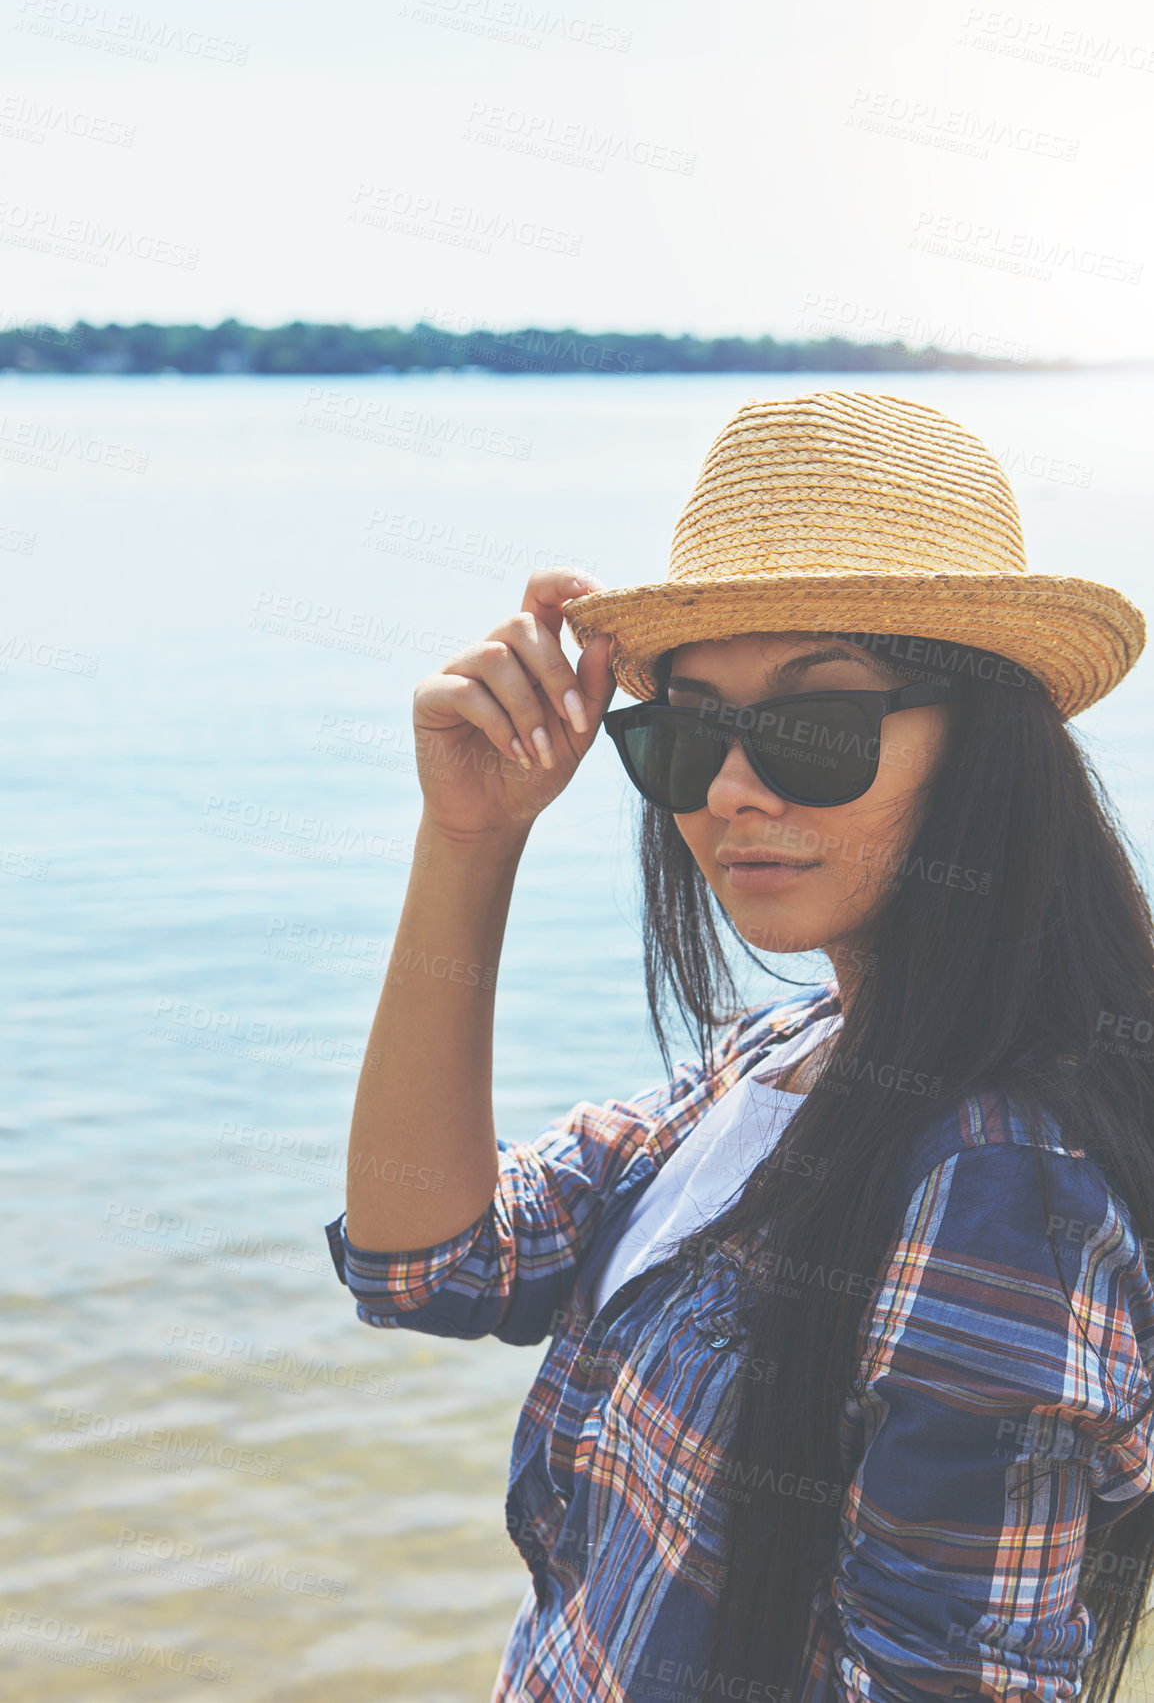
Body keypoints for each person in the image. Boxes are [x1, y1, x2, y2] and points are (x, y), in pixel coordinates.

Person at [323, 390, 1154, 1703]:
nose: (728, 791)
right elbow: (432, 1261)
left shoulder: (997, 1188)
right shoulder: (782, 1056)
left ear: (986, 749)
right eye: (688, 731)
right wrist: (470, 842)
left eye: (815, 725)